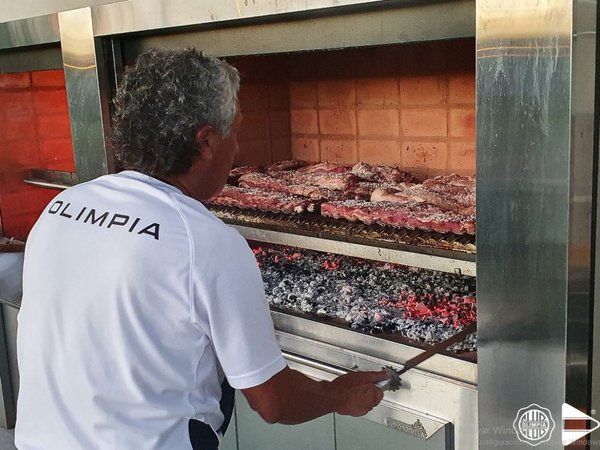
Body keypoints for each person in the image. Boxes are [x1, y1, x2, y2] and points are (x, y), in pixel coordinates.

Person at [15, 48, 388, 450]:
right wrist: (339, 396)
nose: (238, 149)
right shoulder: (205, 240)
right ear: (207, 140)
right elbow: (272, 401)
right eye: (235, 132)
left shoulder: (65, 205)